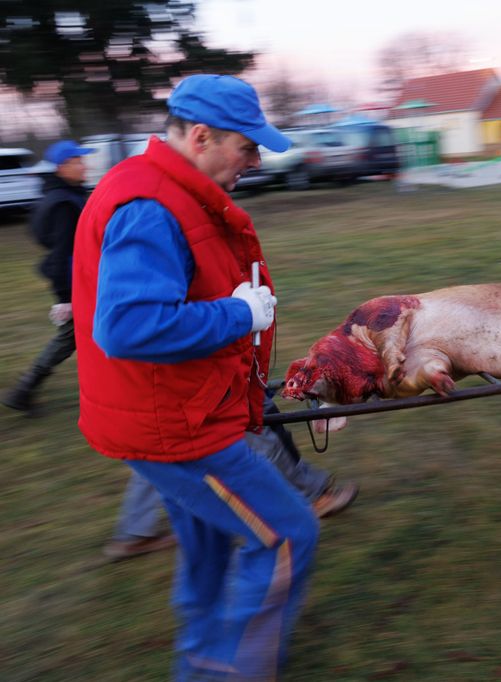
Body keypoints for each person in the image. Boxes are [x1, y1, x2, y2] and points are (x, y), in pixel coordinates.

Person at [72, 74, 317, 679]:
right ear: (202, 136)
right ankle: (227, 671)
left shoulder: (166, 191)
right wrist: (240, 314)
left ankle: (201, 658)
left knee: (207, 544)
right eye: (247, 148)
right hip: (175, 429)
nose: (255, 162)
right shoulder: (150, 207)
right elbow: (128, 326)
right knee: (287, 534)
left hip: (174, 413)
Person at [104, 388, 360, 560]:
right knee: (257, 424)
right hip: (203, 366)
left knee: (158, 448)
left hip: (159, 380)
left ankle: (134, 532)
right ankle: (312, 496)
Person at [2, 140, 94, 413]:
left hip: (83, 278)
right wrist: (65, 297)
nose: (84, 165)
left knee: (86, 335)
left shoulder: (63, 194)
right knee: (70, 338)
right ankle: (23, 390)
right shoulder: (63, 202)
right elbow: (60, 253)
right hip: (76, 283)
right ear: (63, 167)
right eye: (78, 161)